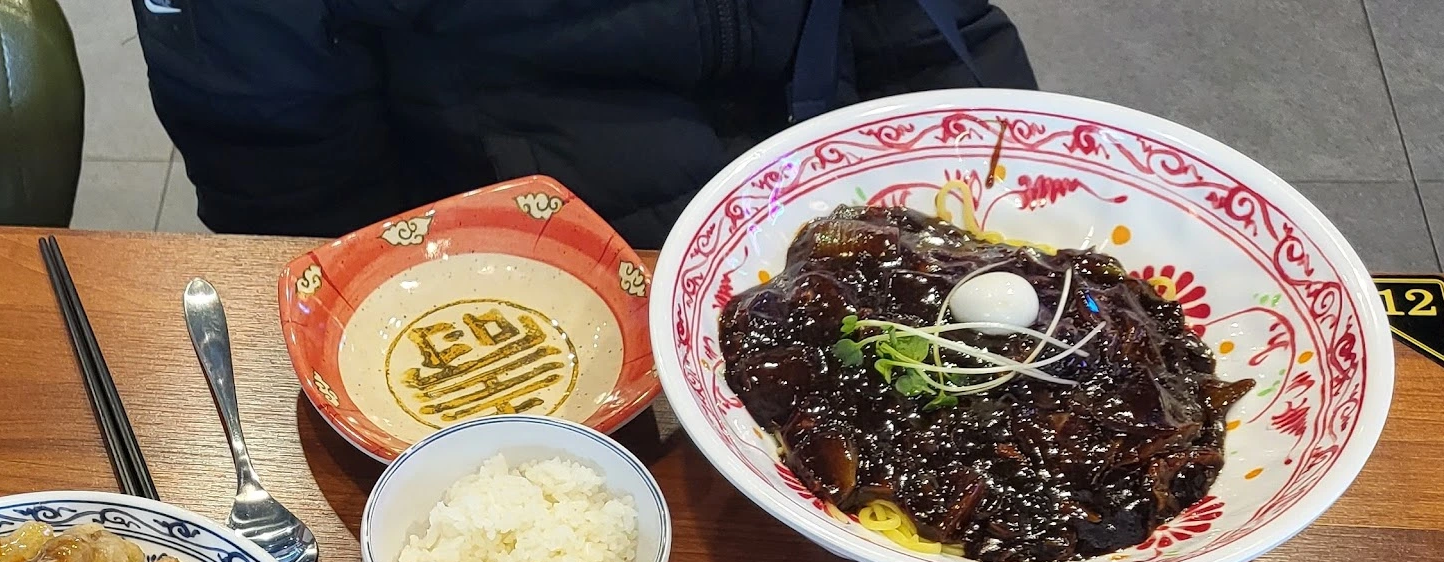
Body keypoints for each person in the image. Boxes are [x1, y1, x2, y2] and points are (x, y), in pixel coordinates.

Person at [132, 0, 1036, 247]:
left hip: (835, 216)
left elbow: (930, 32)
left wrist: (1001, 212)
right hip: (522, 251)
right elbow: (279, 158)